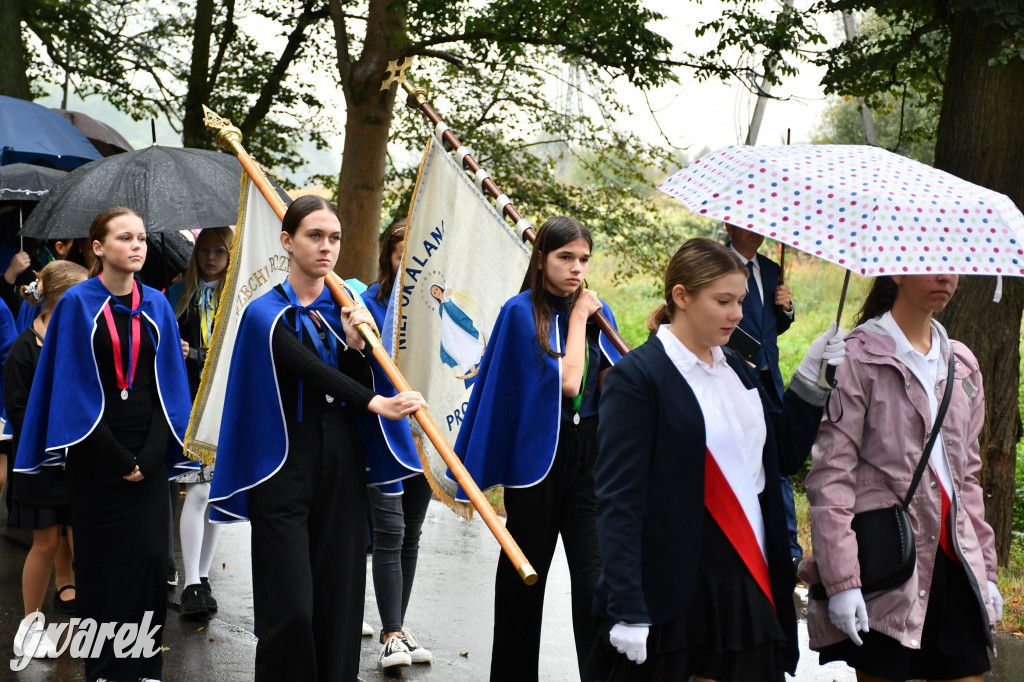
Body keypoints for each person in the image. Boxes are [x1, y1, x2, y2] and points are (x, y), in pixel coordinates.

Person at [584, 237, 845, 681]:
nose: (738, 314)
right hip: (675, 585)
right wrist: (627, 606)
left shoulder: (739, 369)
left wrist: (811, 382)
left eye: (741, 301)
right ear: (681, 296)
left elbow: (780, 457)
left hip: (746, 579)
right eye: (723, 301)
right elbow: (619, 501)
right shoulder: (639, 378)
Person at [208, 195, 427, 681]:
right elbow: (304, 367)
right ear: (287, 241)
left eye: (334, 238)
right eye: (314, 236)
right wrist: (378, 403)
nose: (327, 247)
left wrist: (355, 349)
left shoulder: (347, 310)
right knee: (290, 611)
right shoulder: (265, 314)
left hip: (342, 465)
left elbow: (347, 380)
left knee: (339, 607)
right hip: (281, 469)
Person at [14, 207, 193, 681]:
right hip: (97, 453)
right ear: (98, 248)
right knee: (101, 564)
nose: (136, 246)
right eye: (124, 238)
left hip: (149, 451)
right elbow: (70, 391)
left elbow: (168, 388)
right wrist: (118, 458)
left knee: (152, 560)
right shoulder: (76, 304)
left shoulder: (157, 304)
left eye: (141, 238)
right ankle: (106, 671)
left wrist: (151, 456)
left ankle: (145, 668)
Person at [801, 273, 1001, 681]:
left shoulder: (960, 364)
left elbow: (968, 479)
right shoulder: (858, 358)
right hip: (888, 563)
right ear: (897, 270)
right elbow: (830, 477)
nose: (945, 275)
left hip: (956, 563)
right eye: (930, 262)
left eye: (952, 264)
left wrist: (988, 572)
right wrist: (842, 581)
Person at [450, 215, 622, 681]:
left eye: (584, 259)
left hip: (589, 460)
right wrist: (581, 317)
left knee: (596, 585)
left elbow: (612, 384)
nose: (576, 269)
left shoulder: (597, 312)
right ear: (541, 257)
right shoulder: (521, 310)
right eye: (565, 257)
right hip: (537, 464)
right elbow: (566, 383)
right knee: (524, 582)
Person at [361, 218, 435, 668]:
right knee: (387, 533)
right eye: (398, 254)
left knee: (411, 533)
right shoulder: (367, 304)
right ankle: (390, 634)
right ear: (388, 258)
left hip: (426, 438)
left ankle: (399, 626)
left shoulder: (436, 307)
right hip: (383, 435)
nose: (407, 263)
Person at [7, 261, 87, 660]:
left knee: (82, 535)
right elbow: (21, 413)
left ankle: (90, 613)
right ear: (63, 300)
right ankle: (31, 626)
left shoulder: (82, 340)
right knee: (44, 543)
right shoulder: (23, 350)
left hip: (81, 461)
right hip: (40, 463)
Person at [725, 222, 803, 569]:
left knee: (778, 461)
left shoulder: (771, 269)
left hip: (770, 380)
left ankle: (787, 547)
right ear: (729, 224)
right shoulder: (718, 265)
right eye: (746, 224)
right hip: (734, 374)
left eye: (760, 225)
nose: (756, 231)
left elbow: (775, 325)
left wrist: (786, 309)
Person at [172, 226, 233, 620]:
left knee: (215, 495)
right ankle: (190, 580)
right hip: (189, 407)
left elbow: (228, 355)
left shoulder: (237, 297)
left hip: (224, 407)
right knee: (196, 493)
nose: (210, 257)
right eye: (204, 250)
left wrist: (195, 352)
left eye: (219, 251)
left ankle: (203, 575)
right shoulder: (177, 295)